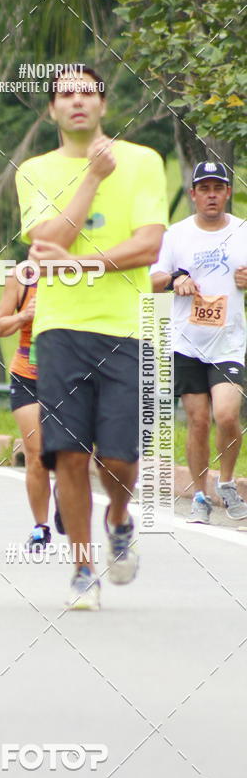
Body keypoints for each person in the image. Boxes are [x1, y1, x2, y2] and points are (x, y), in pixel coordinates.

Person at [16, 65, 167, 611]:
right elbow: (44, 243)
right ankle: (82, 566)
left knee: (121, 460)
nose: (77, 101)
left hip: (126, 329)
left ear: (104, 103)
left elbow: (148, 245)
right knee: (69, 455)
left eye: (87, 93)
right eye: (65, 94)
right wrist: (92, 179)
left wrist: (78, 263)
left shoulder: (145, 161)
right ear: (51, 109)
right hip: (59, 331)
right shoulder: (33, 170)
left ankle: (119, 518)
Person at [151, 161, 247, 524]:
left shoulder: (242, 231)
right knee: (198, 420)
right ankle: (200, 496)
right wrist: (175, 279)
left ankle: (226, 482)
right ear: (192, 194)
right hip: (186, 342)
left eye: (217, 188)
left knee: (226, 415)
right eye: (204, 189)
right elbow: (153, 278)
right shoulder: (176, 234)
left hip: (228, 342)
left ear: (227, 193)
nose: (211, 195)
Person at [0, 266, 55, 549]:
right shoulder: (22, 276)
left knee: (71, 455)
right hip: (27, 376)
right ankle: (41, 526)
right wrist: (24, 315)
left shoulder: (84, 270)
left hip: (69, 378)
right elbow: (0, 326)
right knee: (37, 454)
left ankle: (68, 501)